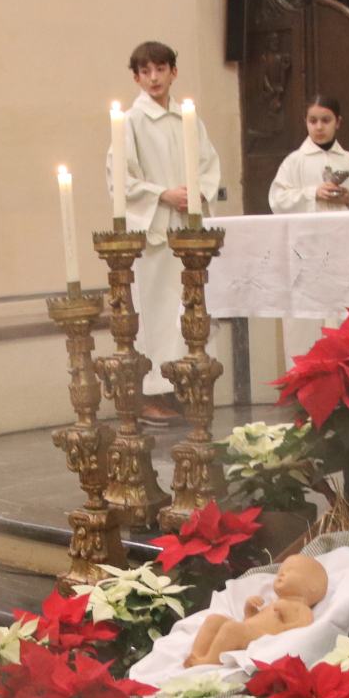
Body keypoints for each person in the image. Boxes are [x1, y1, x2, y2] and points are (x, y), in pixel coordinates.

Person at [107, 40, 219, 426]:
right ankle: (150, 394)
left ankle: (180, 386)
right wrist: (163, 195)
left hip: (186, 228)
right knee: (154, 311)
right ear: (136, 78)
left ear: (174, 72)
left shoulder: (188, 120)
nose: (154, 78)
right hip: (154, 230)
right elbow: (120, 179)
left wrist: (197, 192)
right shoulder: (131, 122)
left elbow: (208, 165)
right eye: (146, 71)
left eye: (161, 70)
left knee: (185, 309)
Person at [269, 95, 349, 361]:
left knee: (345, 320)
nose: (319, 127)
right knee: (306, 326)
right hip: (307, 255)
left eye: (326, 120)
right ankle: (305, 379)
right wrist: (312, 194)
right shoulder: (294, 162)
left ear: (338, 122)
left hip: (345, 254)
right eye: (313, 121)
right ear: (305, 122)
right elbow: (277, 200)